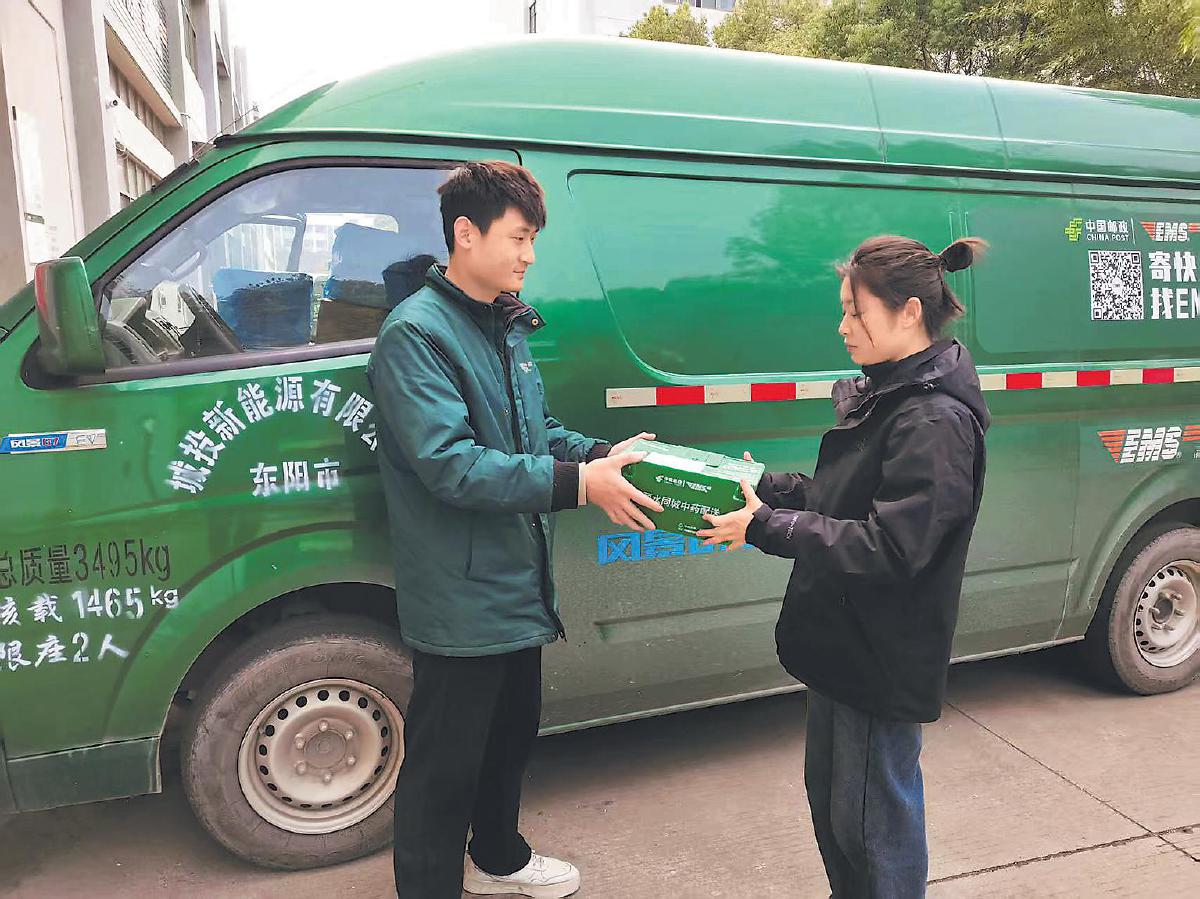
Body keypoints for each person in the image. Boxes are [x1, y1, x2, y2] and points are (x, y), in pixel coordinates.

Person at [367, 161, 662, 898]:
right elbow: (453, 465)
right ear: (466, 234)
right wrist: (580, 485)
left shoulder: (502, 323)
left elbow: (537, 432)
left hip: (516, 584)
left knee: (508, 739)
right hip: (462, 595)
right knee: (444, 768)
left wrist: (601, 457)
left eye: (533, 239)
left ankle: (499, 858)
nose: (530, 254)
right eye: (519, 237)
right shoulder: (417, 335)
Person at [698, 235, 991, 898]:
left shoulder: (933, 419)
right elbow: (841, 498)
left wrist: (764, 526)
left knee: (871, 826)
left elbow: (894, 546)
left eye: (856, 312)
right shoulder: (892, 395)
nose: (843, 326)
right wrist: (765, 488)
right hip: (844, 642)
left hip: (878, 655)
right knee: (837, 809)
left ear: (909, 312)